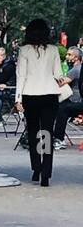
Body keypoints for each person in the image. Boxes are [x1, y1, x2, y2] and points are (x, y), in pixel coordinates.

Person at [16, 18, 72, 187]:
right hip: (49, 95)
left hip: (30, 94)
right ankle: (46, 173)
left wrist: (18, 98)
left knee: (33, 133)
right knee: (47, 133)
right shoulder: (54, 50)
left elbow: (21, 75)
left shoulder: (24, 50)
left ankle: (36, 168)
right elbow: (57, 74)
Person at [54, 47, 83, 148]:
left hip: (76, 101)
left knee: (62, 109)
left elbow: (61, 83)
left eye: (69, 55)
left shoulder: (75, 70)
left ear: (76, 57)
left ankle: (58, 139)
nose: (67, 57)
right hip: (77, 100)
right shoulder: (76, 68)